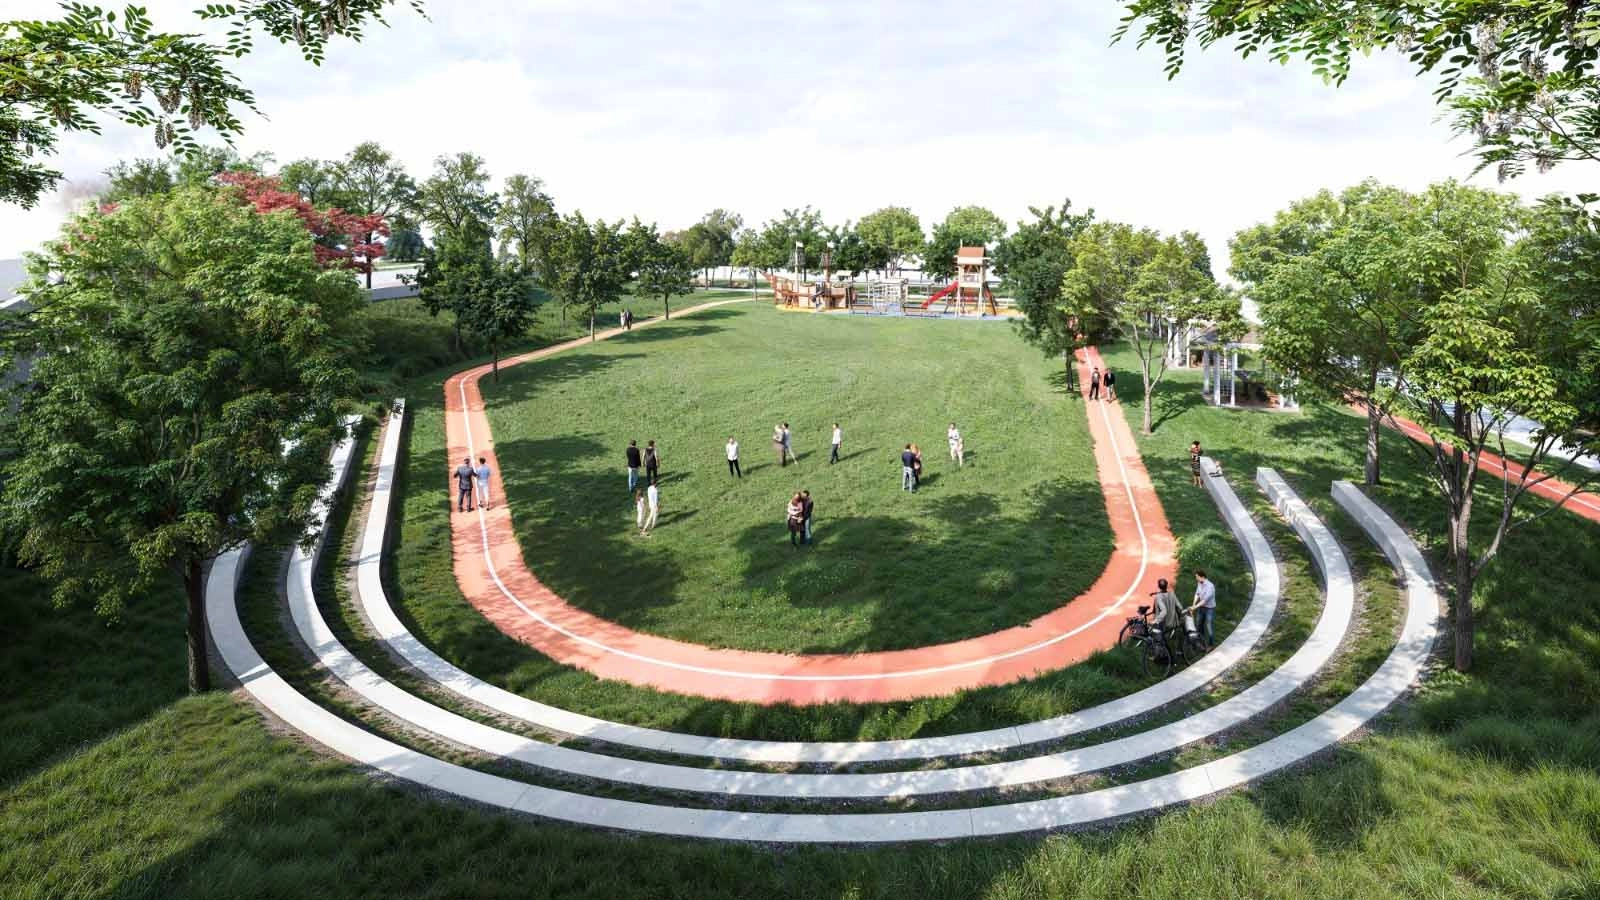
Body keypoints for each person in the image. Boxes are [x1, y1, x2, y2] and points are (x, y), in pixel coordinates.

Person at [1150, 577, 1181, 658]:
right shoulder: (1172, 594)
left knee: (1156, 636)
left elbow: (1163, 611)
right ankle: (1173, 654)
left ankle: (1160, 655)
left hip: (1163, 624)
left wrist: (1156, 620)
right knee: (1170, 641)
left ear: (1158, 586)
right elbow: (1179, 607)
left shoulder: (1158, 597)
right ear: (1167, 586)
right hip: (1173, 623)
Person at [1189, 569, 1217, 649]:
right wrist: (1193, 604)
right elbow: (1197, 594)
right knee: (1199, 624)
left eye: (1197, 577)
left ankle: (1211, 645)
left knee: (1209, 626)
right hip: (1201, 608)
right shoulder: (1199, 583)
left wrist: (1194, 607)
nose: (1196, 579)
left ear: (1202, 577)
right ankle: (1202, 642)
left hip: (1209, 609)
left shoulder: (1210, 586)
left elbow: (1204, 601)